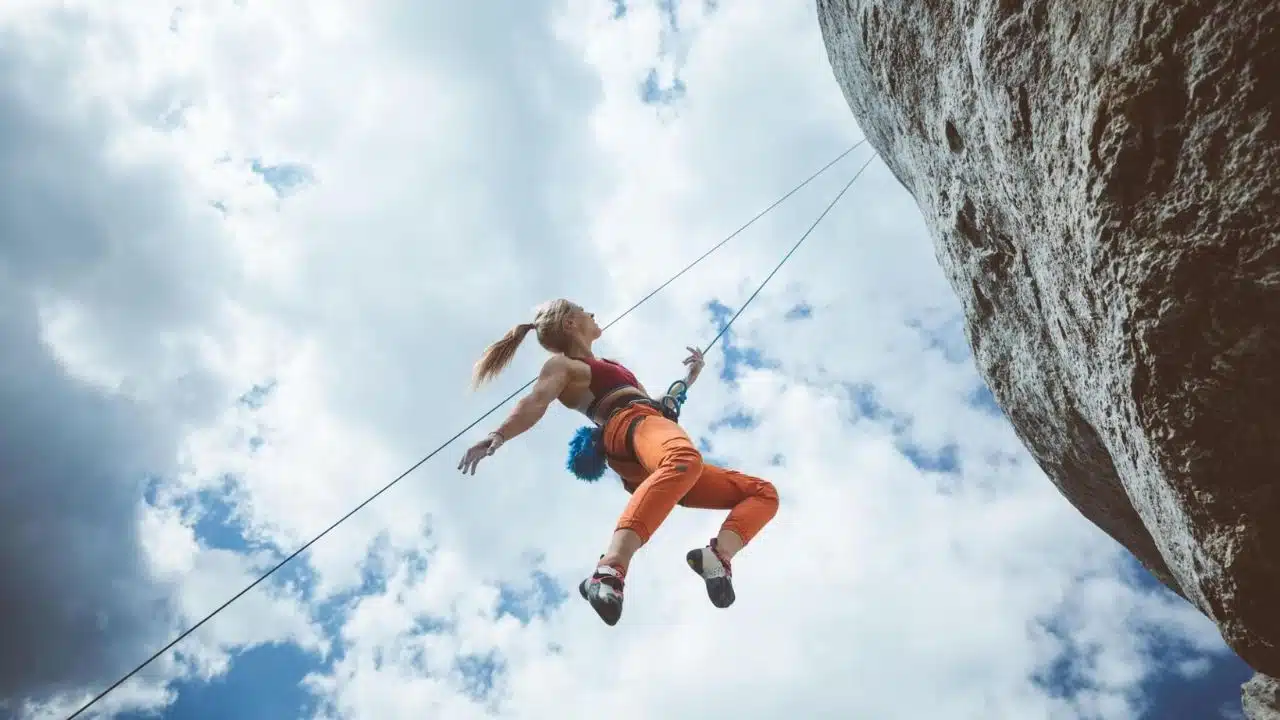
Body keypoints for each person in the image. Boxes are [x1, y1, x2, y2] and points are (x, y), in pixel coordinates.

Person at [457, 299, 780, 626]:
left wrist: (690, 376)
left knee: (762, 493)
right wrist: (499, 435)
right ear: (570, 323)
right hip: (627, 427)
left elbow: (653, 404)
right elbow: (537, 400)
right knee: (683, 459)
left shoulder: (611, 366)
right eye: (583, 311)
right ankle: (609, 571)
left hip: (648, 438)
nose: (591, 313)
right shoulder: (565, 366)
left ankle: (717, 558)